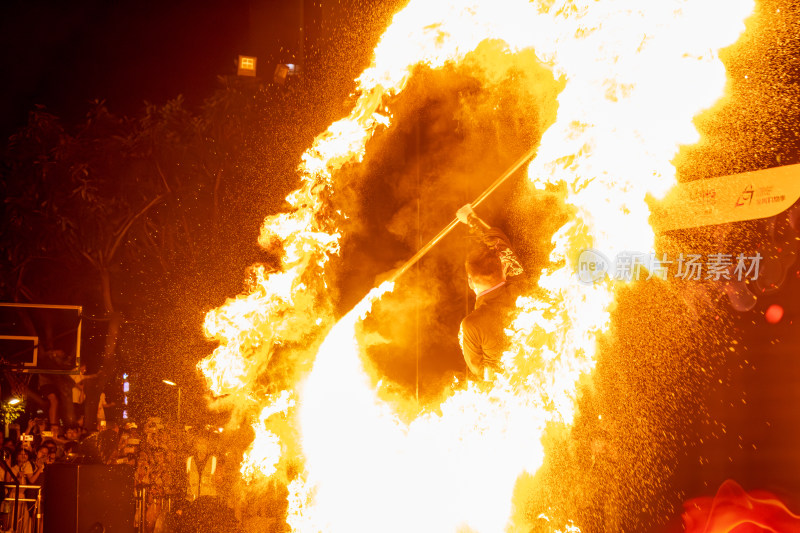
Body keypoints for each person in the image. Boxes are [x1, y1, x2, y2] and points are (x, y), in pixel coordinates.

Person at [455, 204, 524, 381]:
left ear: (470, 282)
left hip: (510, 392)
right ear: (504, 268)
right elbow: (497, 240)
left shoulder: (472, 325)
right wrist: (471, 218)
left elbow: (481, 374)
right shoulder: (522, 284)